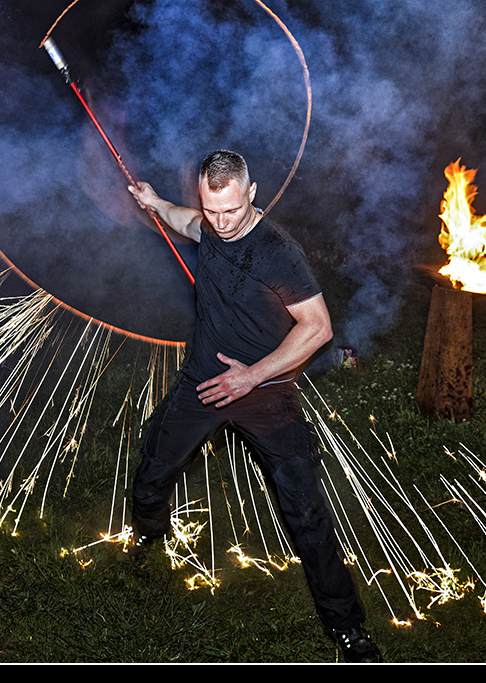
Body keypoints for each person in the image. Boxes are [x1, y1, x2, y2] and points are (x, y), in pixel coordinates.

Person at [125, 150, 381, 663]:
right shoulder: (211, 225)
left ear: (252, 194)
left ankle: (348, 628)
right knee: (154, 464)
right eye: (212, 210)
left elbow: (319, 328)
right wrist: (155, 202)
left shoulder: (277, 253)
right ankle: (149, 539)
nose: (220, 223)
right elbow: (185, 221)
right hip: (203, 382)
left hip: (264, 393)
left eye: (231, 212)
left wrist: (252, 376)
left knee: (305, 510)